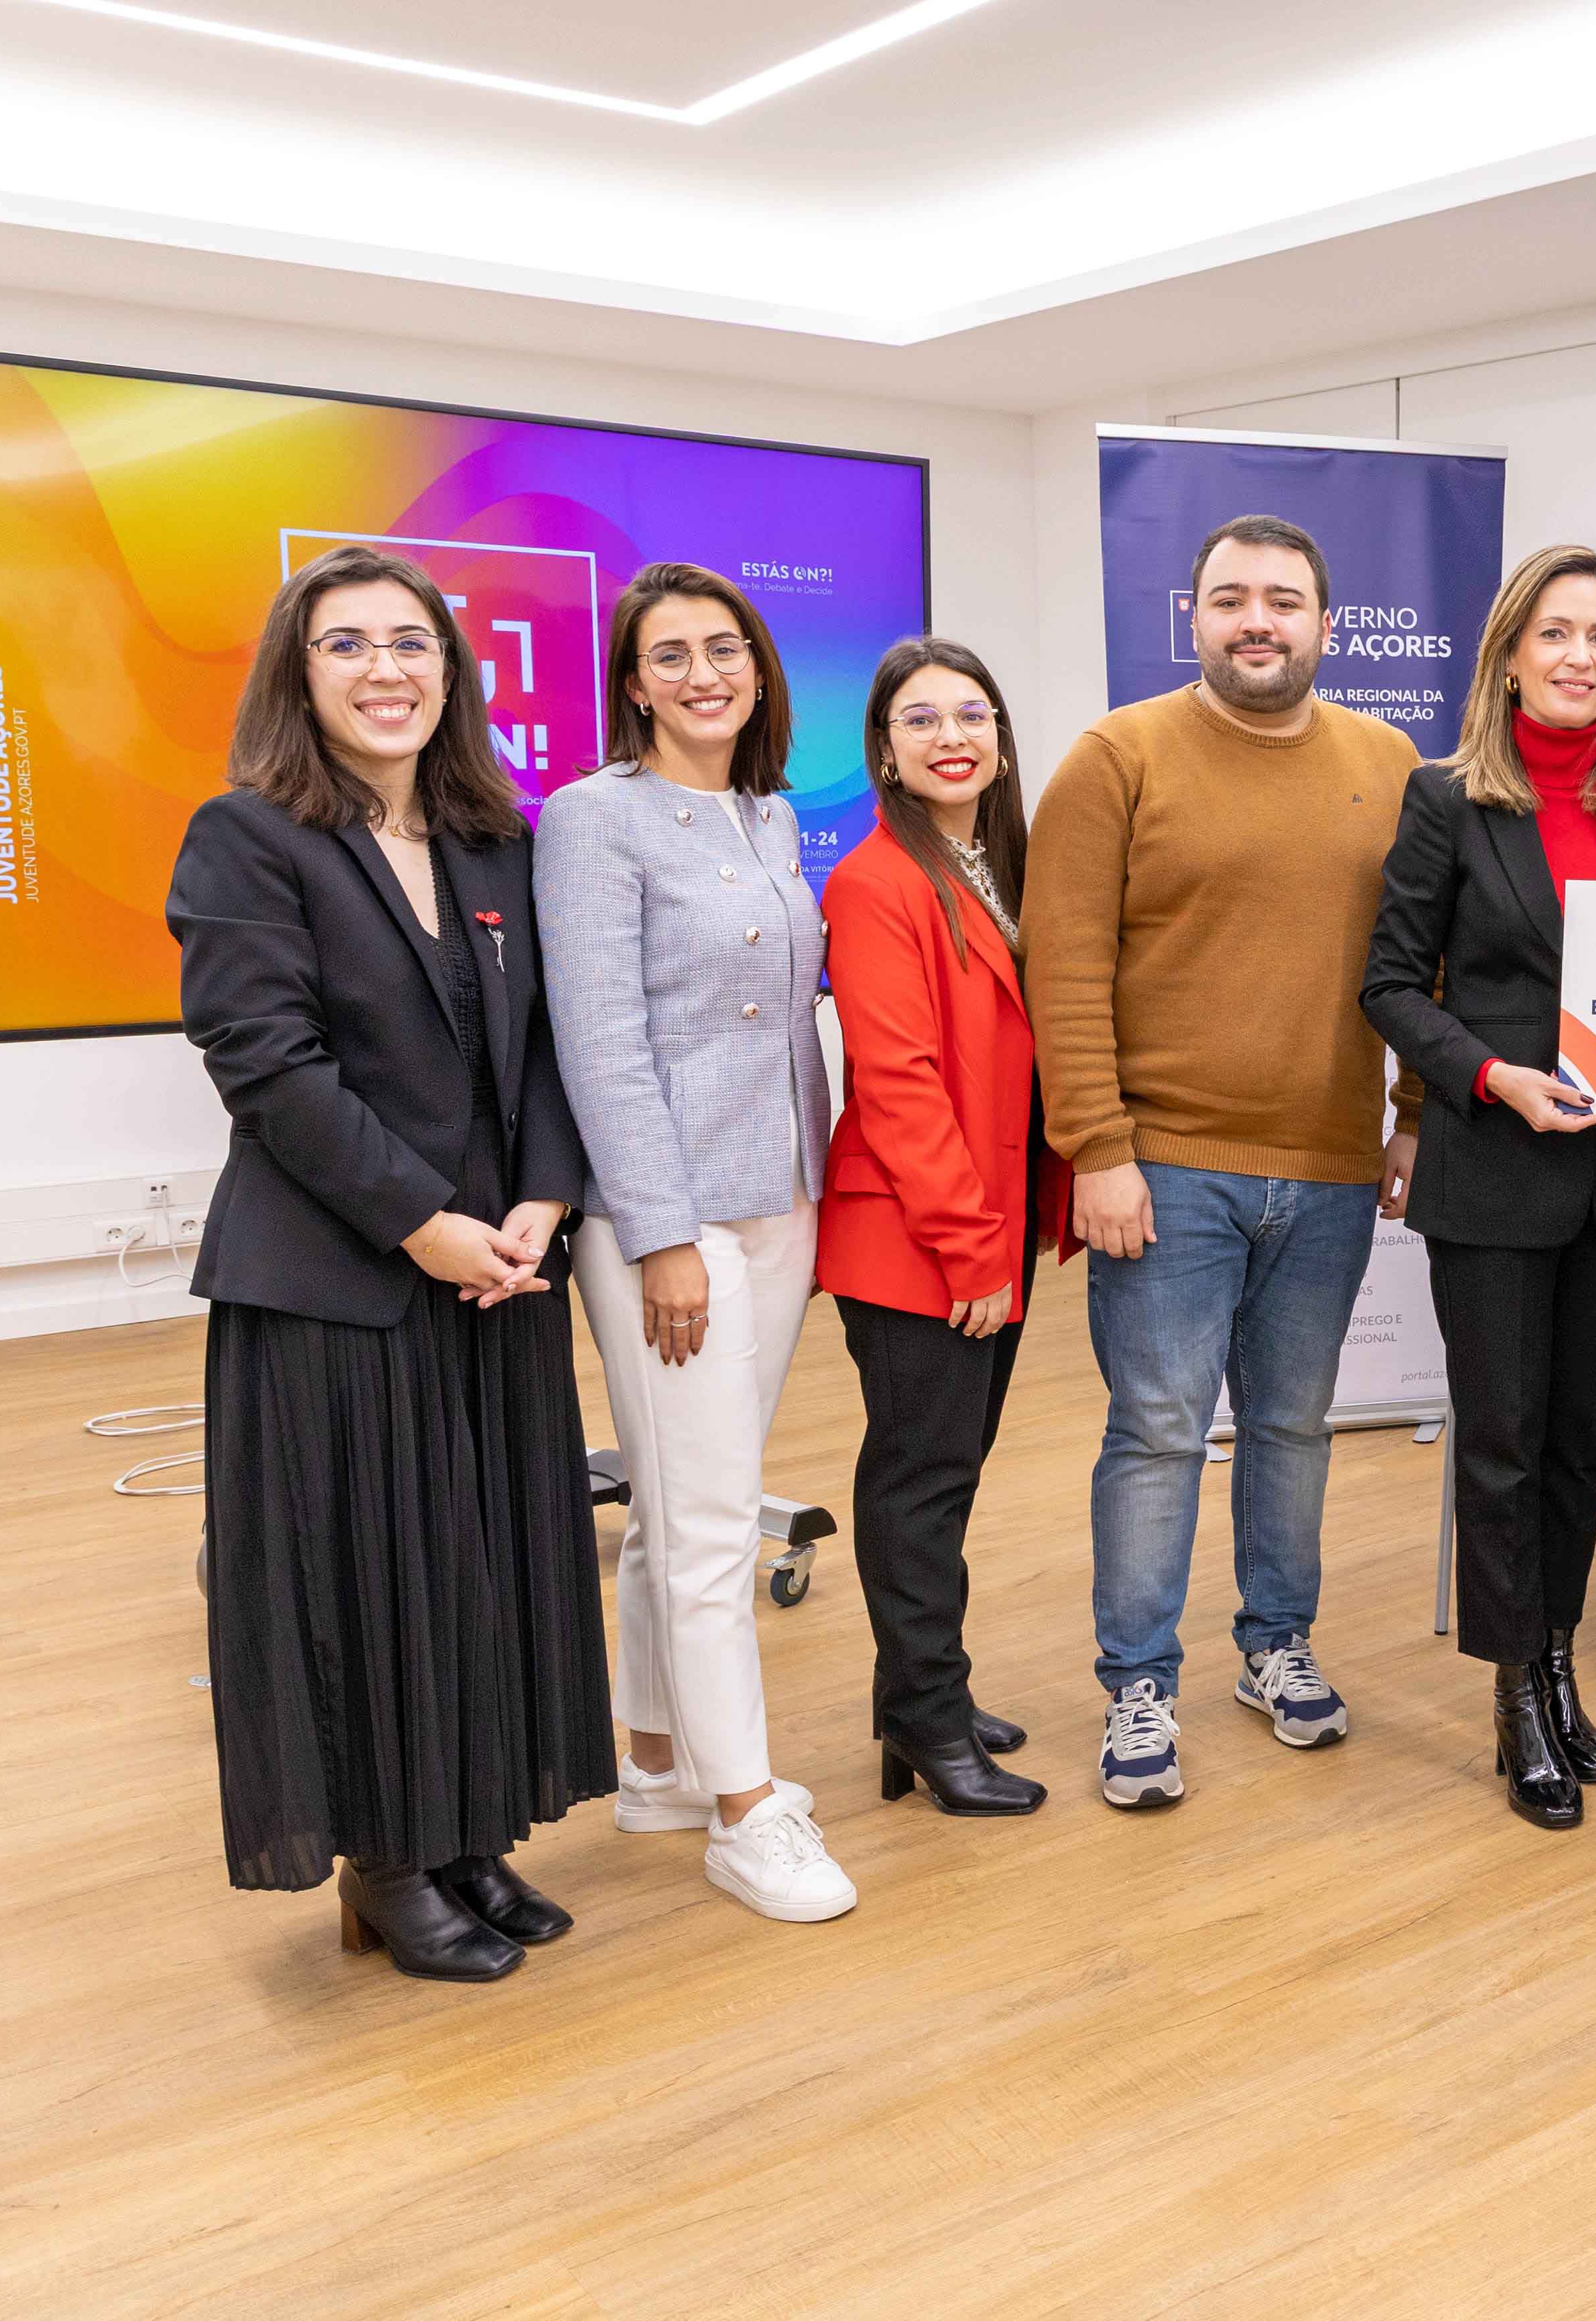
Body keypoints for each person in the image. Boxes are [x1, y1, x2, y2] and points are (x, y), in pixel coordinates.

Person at [166, 542, 606, 1982]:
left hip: (500, 1273)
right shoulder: (248, 838)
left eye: (410, 644)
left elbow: (549, 1046)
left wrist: (543, 1200)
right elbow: (267, 1064)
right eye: (347, 645)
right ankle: (388, 1863)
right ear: (301, 678)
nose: (385, 671)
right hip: (342, 1282)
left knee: (484, 1563)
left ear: (451, 670)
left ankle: (474, 1831)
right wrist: (422, 1222)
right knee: (368, 1580)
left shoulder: (499, 838)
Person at [1022, 513, 1422, 1811]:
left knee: (1296, 1426)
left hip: (1329, 1169)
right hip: (1165, 1170)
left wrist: (1409, 1115)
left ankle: (1276, 1647)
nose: (1262, 620)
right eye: (1234, 598)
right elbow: (1064, 965)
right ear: (1190, 614)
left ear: (1325, 622)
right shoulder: (1116, 757)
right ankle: (1139, 1683)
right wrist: (1097, 1147)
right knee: (1156, 1430)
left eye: (1287, 601)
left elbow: (1421, 963)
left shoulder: (1392, 763)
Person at [1362, 544, 1596, 1829]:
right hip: (1496, 1168)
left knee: (1577, 1441)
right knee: (1500, 1442)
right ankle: (1512, 1692)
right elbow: (1391, 982)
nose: (1580, 658)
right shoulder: (1447, 797)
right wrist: (1490, 1078)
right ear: (1511, 652)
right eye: (1555, 634)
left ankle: (1560, 1656)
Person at [538, 562, 855, 1924]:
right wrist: (660, 1235)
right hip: (670, 1222)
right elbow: (599, 1040)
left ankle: (661, 1764)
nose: (703, 674)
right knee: (713, 1521)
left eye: (725, 649)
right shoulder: (591, 820)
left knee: (680, 1509)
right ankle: (743, 1814)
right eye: (671, 656)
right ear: (631, 683)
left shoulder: (767, 816)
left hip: (779, 1198)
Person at [817, 638, 1064, 1820]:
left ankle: (920, 1700)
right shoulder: (876, 882)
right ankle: (927, 1719)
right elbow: (901, 1082)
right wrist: (973, 1248)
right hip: (920, 1237)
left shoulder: (996, 869)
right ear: (885, 752)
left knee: (946, 1477)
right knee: (917, 1484)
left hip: (990, 1221)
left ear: (1002, 740)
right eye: (921, 721)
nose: (951, 736)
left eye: (972, 713)